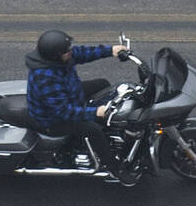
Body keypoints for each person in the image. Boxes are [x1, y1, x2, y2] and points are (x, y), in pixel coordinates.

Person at [24, 30, 136, 185]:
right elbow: (63, 111)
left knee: (102, 84)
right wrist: (95, 112)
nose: (70, 52)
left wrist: (111, 50)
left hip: (69, 93)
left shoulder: (60, 58)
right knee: (94, 129)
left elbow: (82, 53)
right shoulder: (45, 76)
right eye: (66, 51)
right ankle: (115, 168)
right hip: (52, 120)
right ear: (55, 55)